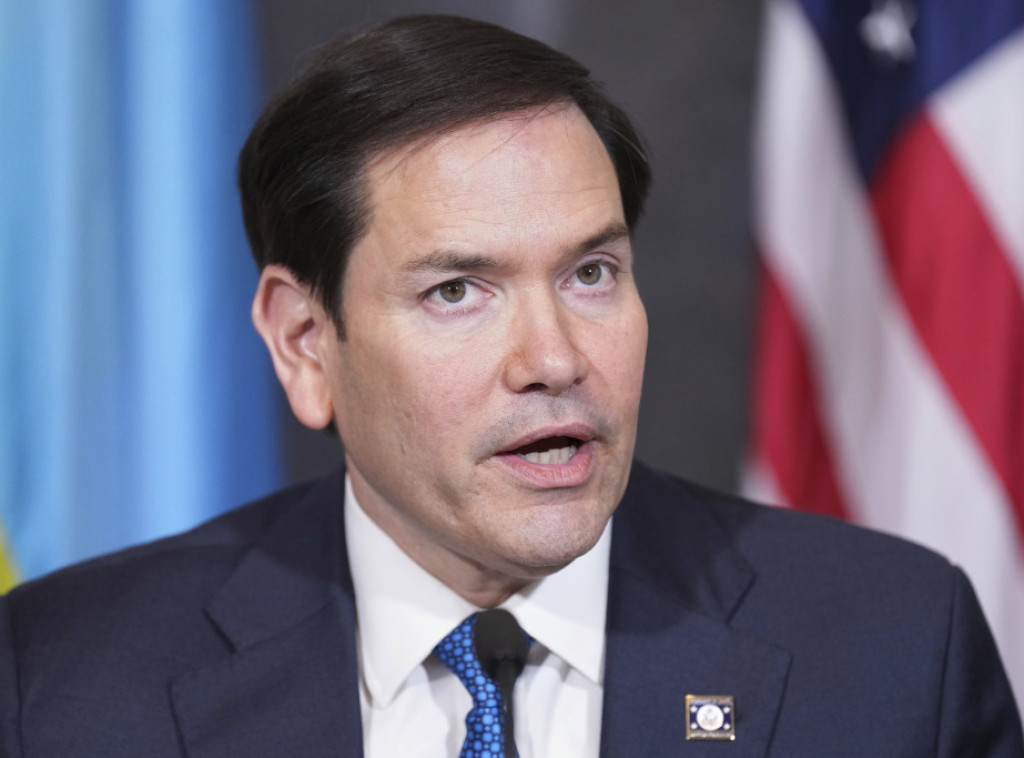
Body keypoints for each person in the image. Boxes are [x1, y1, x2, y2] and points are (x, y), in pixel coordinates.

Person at [0, 14, 1020, 757]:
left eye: (591, 273)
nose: (554, 358)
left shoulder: (891, 651)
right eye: (457, 291)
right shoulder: (65, 682)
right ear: (306, 342)